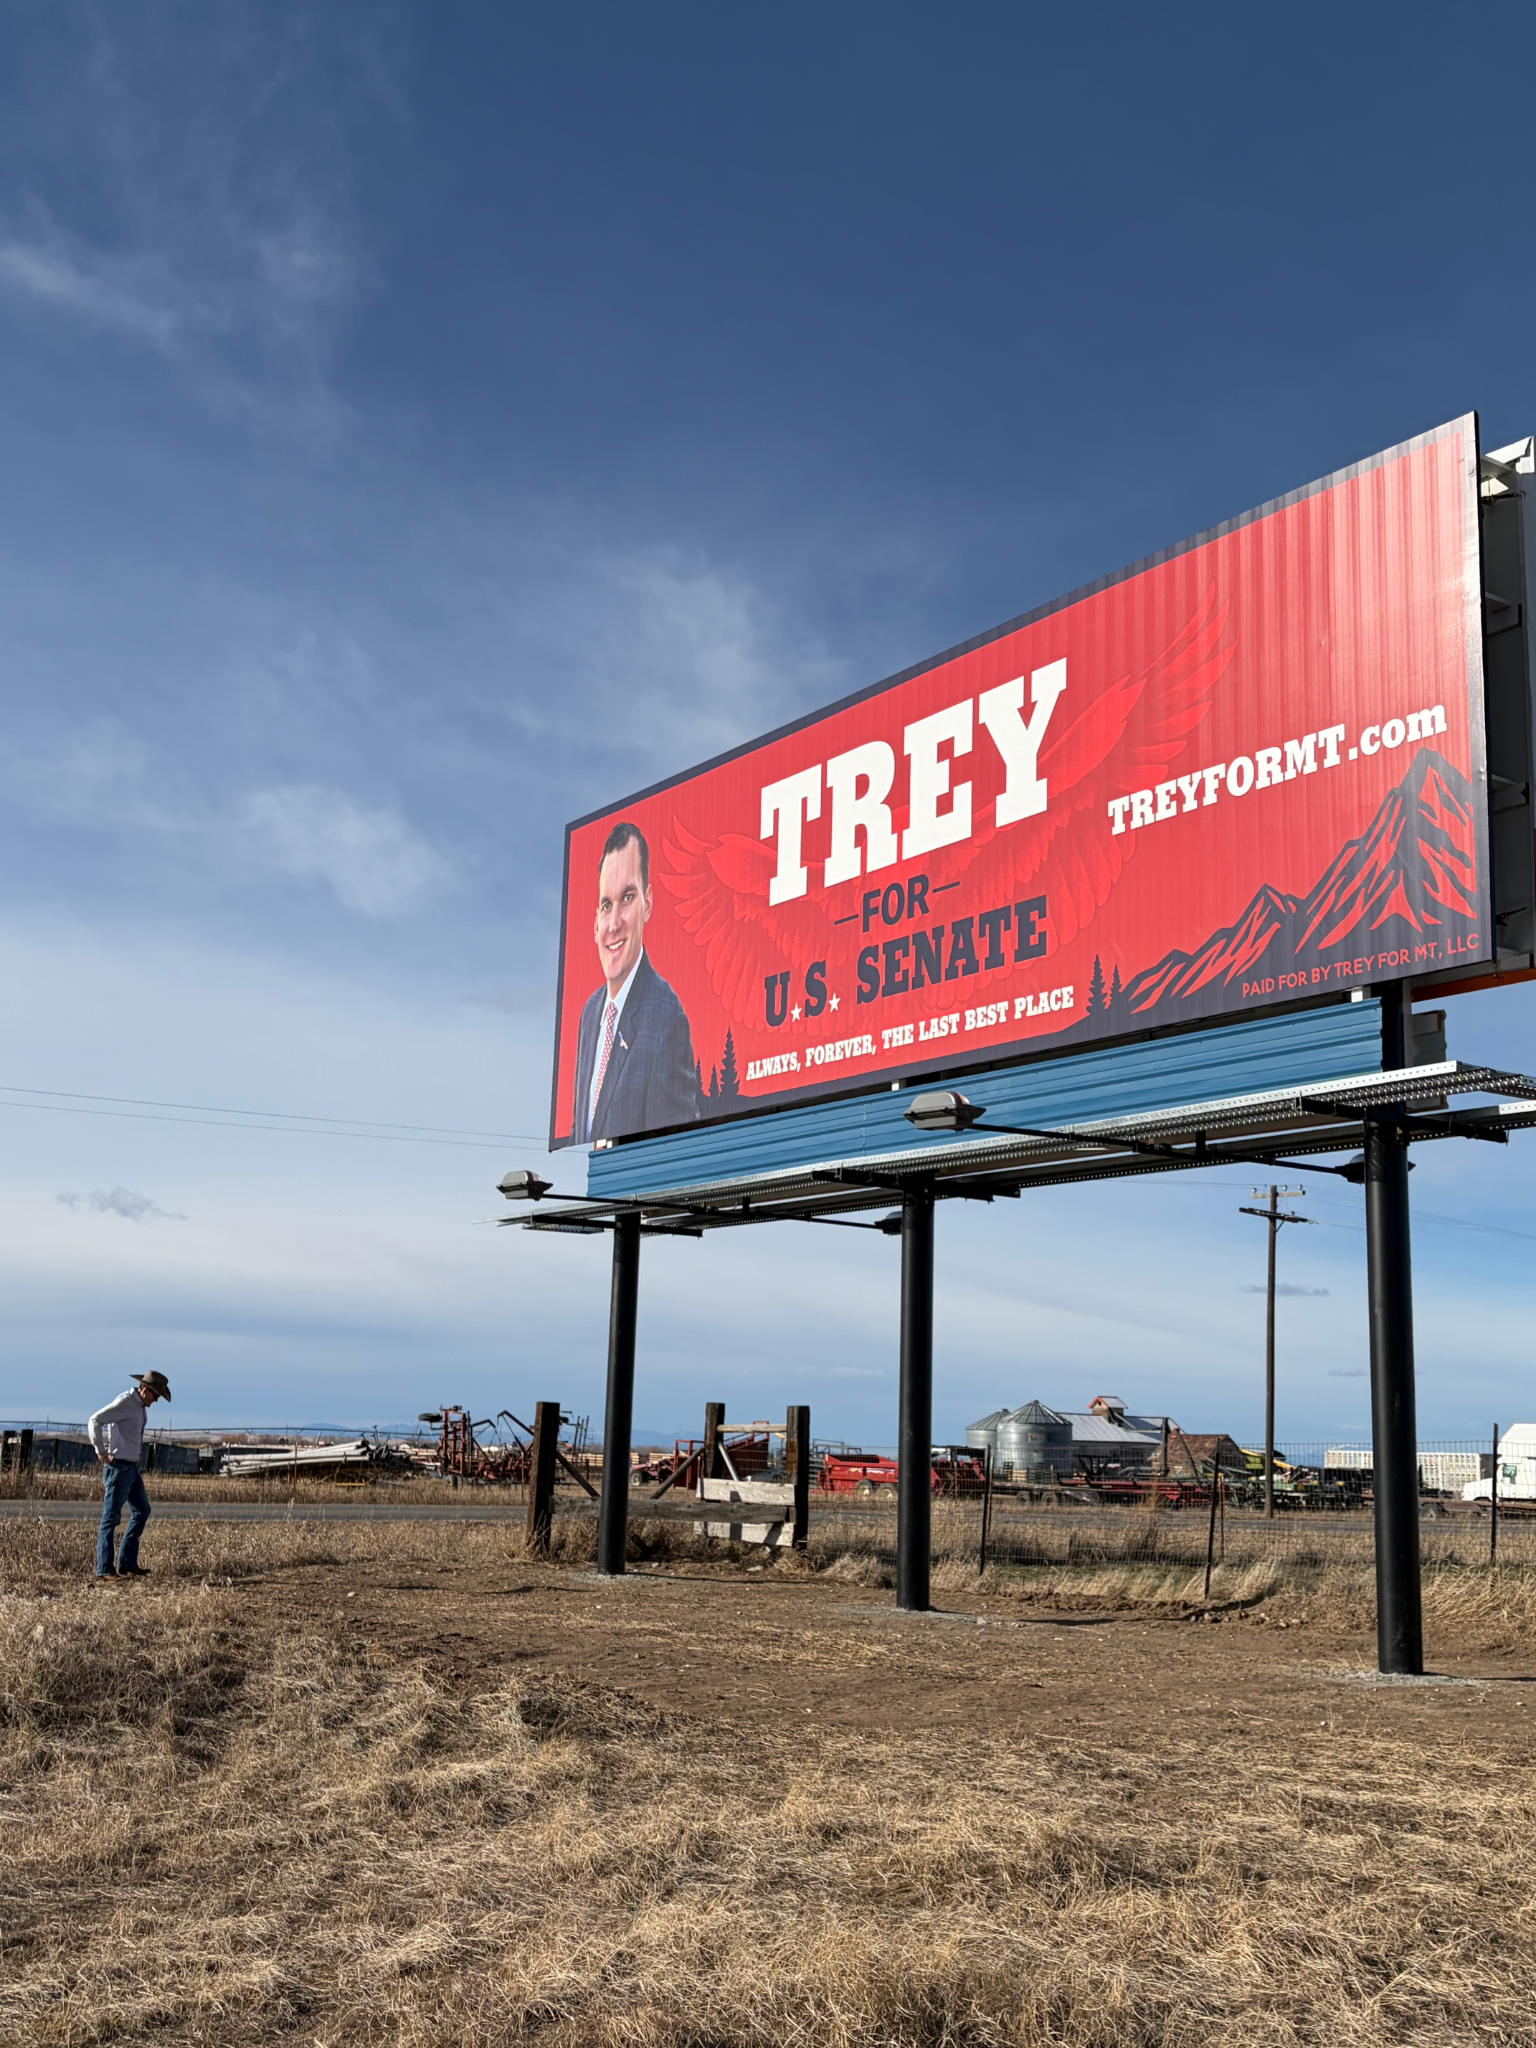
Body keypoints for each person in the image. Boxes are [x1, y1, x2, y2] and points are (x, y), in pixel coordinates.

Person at [571, 821, 702, 1143]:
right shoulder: (590, 1013)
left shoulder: (666, 1021)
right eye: (606, 905)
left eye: (627, 898)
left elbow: (673, 1148)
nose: (613, 924)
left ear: (648, 903)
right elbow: (583, 1130)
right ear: (595, 923)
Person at [88, 1370, 171, 1581]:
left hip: (132, 1469)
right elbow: (95, 1420)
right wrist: (100, 1449)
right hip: (118, 1468)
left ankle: (126, 1563)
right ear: (145, 1390)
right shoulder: (125, 1402)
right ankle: (105, 1570)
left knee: (142, 1510)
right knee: (110, 1518)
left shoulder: (140, 1406)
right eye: (156, 1396)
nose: (157, 1400)